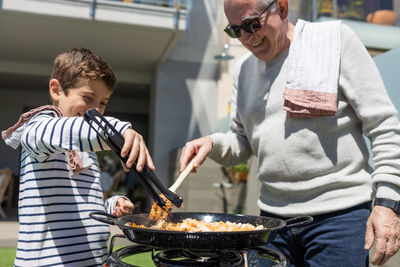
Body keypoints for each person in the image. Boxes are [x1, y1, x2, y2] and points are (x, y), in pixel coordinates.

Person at [179, 0, 400, 266]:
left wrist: (388, 203)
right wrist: (211, 143)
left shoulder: (334, 41)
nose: (247, 39)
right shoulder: (243, 70)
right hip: (272, 223)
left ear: (282, 9)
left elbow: (384, 125)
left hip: (339, 220)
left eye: (252, 24)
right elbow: (242, 142)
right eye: (236, 30)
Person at [2, 48, 155, 266]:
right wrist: (119, 129)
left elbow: (85, 205)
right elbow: (63, 131)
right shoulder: (38, 127)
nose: (96, 110)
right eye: (87, 98)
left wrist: (111, 205)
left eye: (102, 103)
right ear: (56, 90)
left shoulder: (87, 150)